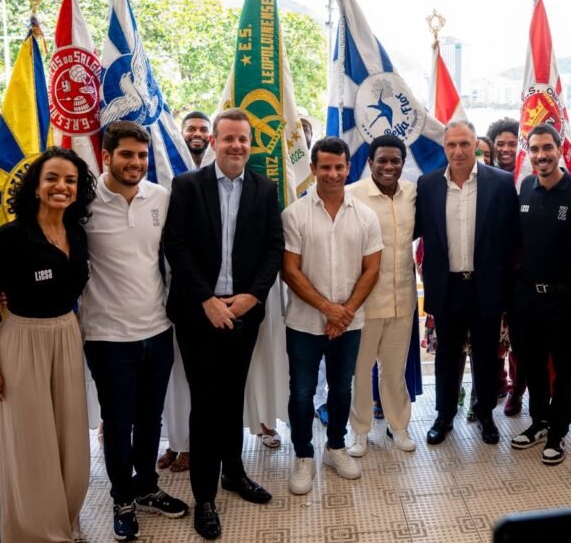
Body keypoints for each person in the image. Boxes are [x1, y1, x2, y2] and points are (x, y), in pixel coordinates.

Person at [163, 108, 284, 540]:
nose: (237, 146)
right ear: (213, 142)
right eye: (228, 138)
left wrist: (254, 295)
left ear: (251, 145)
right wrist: (206, 300)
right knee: (206, 402)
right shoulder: (187, 186)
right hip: (199, 314)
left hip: (245, 312)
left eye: (243, 140)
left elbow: (274, 247)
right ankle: (205, 497)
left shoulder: (265, 188)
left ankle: (234, 473)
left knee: (234, 396)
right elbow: (175, 246)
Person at [0, 147, 95, 542]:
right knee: (31, 448)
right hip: (22, 341)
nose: (61, 186)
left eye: (70, 180)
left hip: (66, 335)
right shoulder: (10, 237)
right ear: (36, 187)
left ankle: (65, 522)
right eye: (52, 178)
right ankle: (37, 535)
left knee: (72, 446)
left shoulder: (77, 232)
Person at [82, 121, 188, 540]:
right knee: (118, 420)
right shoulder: (84, 202)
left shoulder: (160, 196)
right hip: (107, 336)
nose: (136, 163)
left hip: (157, 329)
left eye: (142, 156)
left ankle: (146, 487)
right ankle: (121, 498)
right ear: (107, 156)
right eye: (127, 154)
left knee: (150, 419)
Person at [281, 136, 382, 494]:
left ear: (348, 167)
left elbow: (372, 269)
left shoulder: (366, 216)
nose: (333, 173)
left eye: (339, 166)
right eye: (325, 167)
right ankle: (304, 456)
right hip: (304, 324)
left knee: (342, 388)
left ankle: (335, 447)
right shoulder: (294, 215)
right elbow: (290, 271)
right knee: (302, 393)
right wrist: (329, 309)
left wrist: (346, 313)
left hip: (349, 324)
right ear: (313, 170)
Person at [416, 120, 519, 446]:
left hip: (485, 285)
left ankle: (485, 413)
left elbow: (513, 236)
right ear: (444, 148)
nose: (458, 151)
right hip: (446, 286)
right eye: (452, 145)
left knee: (487, 355)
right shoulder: (428, 184)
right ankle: (444, 415)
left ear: (476, 145)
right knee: (447, 355)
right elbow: (418, 231)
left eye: (465, 144)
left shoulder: (501, 183)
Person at [509, 124, 571, 465]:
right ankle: (539, 421)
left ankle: (558, 431)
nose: (541, 155)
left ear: (560, 150)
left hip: (564, 297)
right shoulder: (525, 186)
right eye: (535, 149)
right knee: (531, 364)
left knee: (565, 367)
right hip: (526, 297)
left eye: (547, 148)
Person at [346, 135, 419, 457]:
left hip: (403, 299)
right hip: (364, 302)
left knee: (394, 369)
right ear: (370, 163)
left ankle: (399, 426)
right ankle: (359, 432)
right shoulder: (352, 195)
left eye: (395, 161)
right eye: (382, 161)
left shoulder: (413, 194)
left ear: (403, 163)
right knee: (360, 371)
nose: (389, 167)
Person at [158, 111, 216, 474]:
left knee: (199, 378)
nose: (196, 134)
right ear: (180, 136)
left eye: (202, 129)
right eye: (190, 129)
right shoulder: (167, 168)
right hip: (169, 287)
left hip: (209, 291)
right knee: (173, 377)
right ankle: (176, 441)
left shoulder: (216, 174)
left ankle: (194, 445)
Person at [486, 116, 525, 415]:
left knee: (520, 337)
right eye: (500, 144)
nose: (506, 148)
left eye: (513, 143)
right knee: (492, 333)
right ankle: (495, 383)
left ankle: (517, 390)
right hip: (493, 270)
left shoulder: (529, 175)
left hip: (524, 270)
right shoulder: (485, 177)